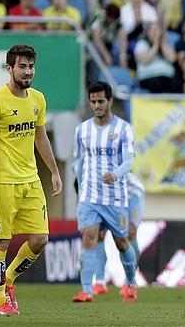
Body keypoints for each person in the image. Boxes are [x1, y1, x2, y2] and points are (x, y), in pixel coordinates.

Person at [0, 44, 63, 315]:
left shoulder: (37, 99)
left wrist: (55, 171)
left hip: (31, 181)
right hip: (2, 184)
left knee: (40, 239)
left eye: (31, 67)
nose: (28, 72)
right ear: (10, 69)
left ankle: (10, 279)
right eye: (22, 67)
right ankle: (0, 300)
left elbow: (41, 136)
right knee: (1, 242)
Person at [71, 81, 138, 303]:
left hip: (115, 197)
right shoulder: (82, 130)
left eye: (101, 101)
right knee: (89, 238)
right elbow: (79, 162)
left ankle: (130, 283)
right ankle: (86, 290)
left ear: (109, 101)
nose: (97, 105)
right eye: (93, 101)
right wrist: (78, 186)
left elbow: (129, 161)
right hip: (89, 197)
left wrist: (116, 174)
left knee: (122, 242)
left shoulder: (124, 129)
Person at [92, 173, 146, 296]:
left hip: (131, 194)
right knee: (99, 234)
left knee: (130, 233)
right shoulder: (82, 164)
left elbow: (127, 163)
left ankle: (129, 281)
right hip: (105, 196)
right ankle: (99, 281)